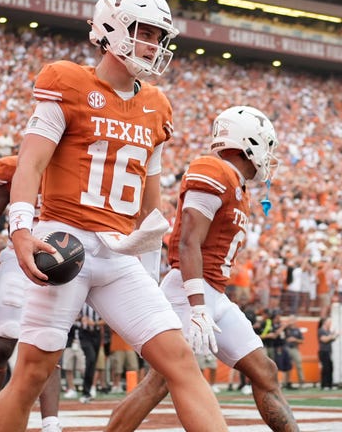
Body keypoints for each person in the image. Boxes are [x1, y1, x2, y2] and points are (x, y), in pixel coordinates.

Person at [0, 0, 228, 432]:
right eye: (145, 32)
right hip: (64, 242)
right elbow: (31, 163)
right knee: (32, 375)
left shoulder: (156, 106)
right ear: (112, 27)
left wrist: (149, 264)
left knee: (180, 361)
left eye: (159, 36)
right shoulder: (67, 80)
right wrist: (20, 228)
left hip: (119, 252)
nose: (153, 44)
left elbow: (150, 201)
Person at [106, 106, 300, 432]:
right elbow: (188, 242)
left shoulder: (237, 185)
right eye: (266, 145)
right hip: (189, 290)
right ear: (246, 143)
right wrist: (197, 307)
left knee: (263, 370)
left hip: (215, 293)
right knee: (161, 381)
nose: (268, 156)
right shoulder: (213, 171)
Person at [0, 155, 62, 432]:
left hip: (55, 259)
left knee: (50, 342)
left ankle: (51, 425)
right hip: (16, 257)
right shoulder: (14, 166)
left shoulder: (76, 165)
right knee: (3, 343)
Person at [317, 316, 339, 390]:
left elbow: (331, 339)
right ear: (325, 323)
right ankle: (324, 384)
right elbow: (324, 339)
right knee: (325, 368)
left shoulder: (328, 331)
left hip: (328, 351)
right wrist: (332, 336)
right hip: (323, 351)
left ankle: (329, 384)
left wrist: (335, 335)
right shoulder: (321, 330)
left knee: (330, 367)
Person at [284, 315, 305, 389]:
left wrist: (295, 340)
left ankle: (302, 382)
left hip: (294, 348)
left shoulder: (297, 330)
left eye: (292, 320)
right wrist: (286, 325)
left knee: (299, 365)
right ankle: (286, 382)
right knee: (287, 366)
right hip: (286, 348)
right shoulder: (285, 329)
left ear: (295, 321)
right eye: (289, 320)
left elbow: (302, 341)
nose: (291, 321)